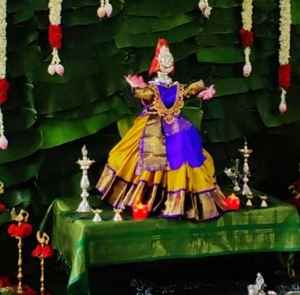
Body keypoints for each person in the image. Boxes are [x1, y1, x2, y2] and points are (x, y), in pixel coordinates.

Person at [96, 38, 228, 221]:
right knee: (141, 156)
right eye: (164, 60)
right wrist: (135, 88)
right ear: (158, 63)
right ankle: (145, 199)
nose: (167, 63)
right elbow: (142, 93)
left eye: (169, 60)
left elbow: (190, 90)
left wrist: (203, 89)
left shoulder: (176, 87)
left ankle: (179, 201)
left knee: (184, 156)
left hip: (178, 130)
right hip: (151, 128)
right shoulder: (152, 88)